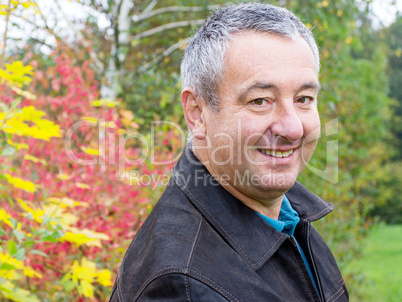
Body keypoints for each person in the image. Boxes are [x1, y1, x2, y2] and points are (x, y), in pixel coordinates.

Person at [110, 3, 348, 301]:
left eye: (303, 98)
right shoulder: (183, 286)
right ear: (197, 113)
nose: (293, 128)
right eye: (260, 100)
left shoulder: (289, 214)